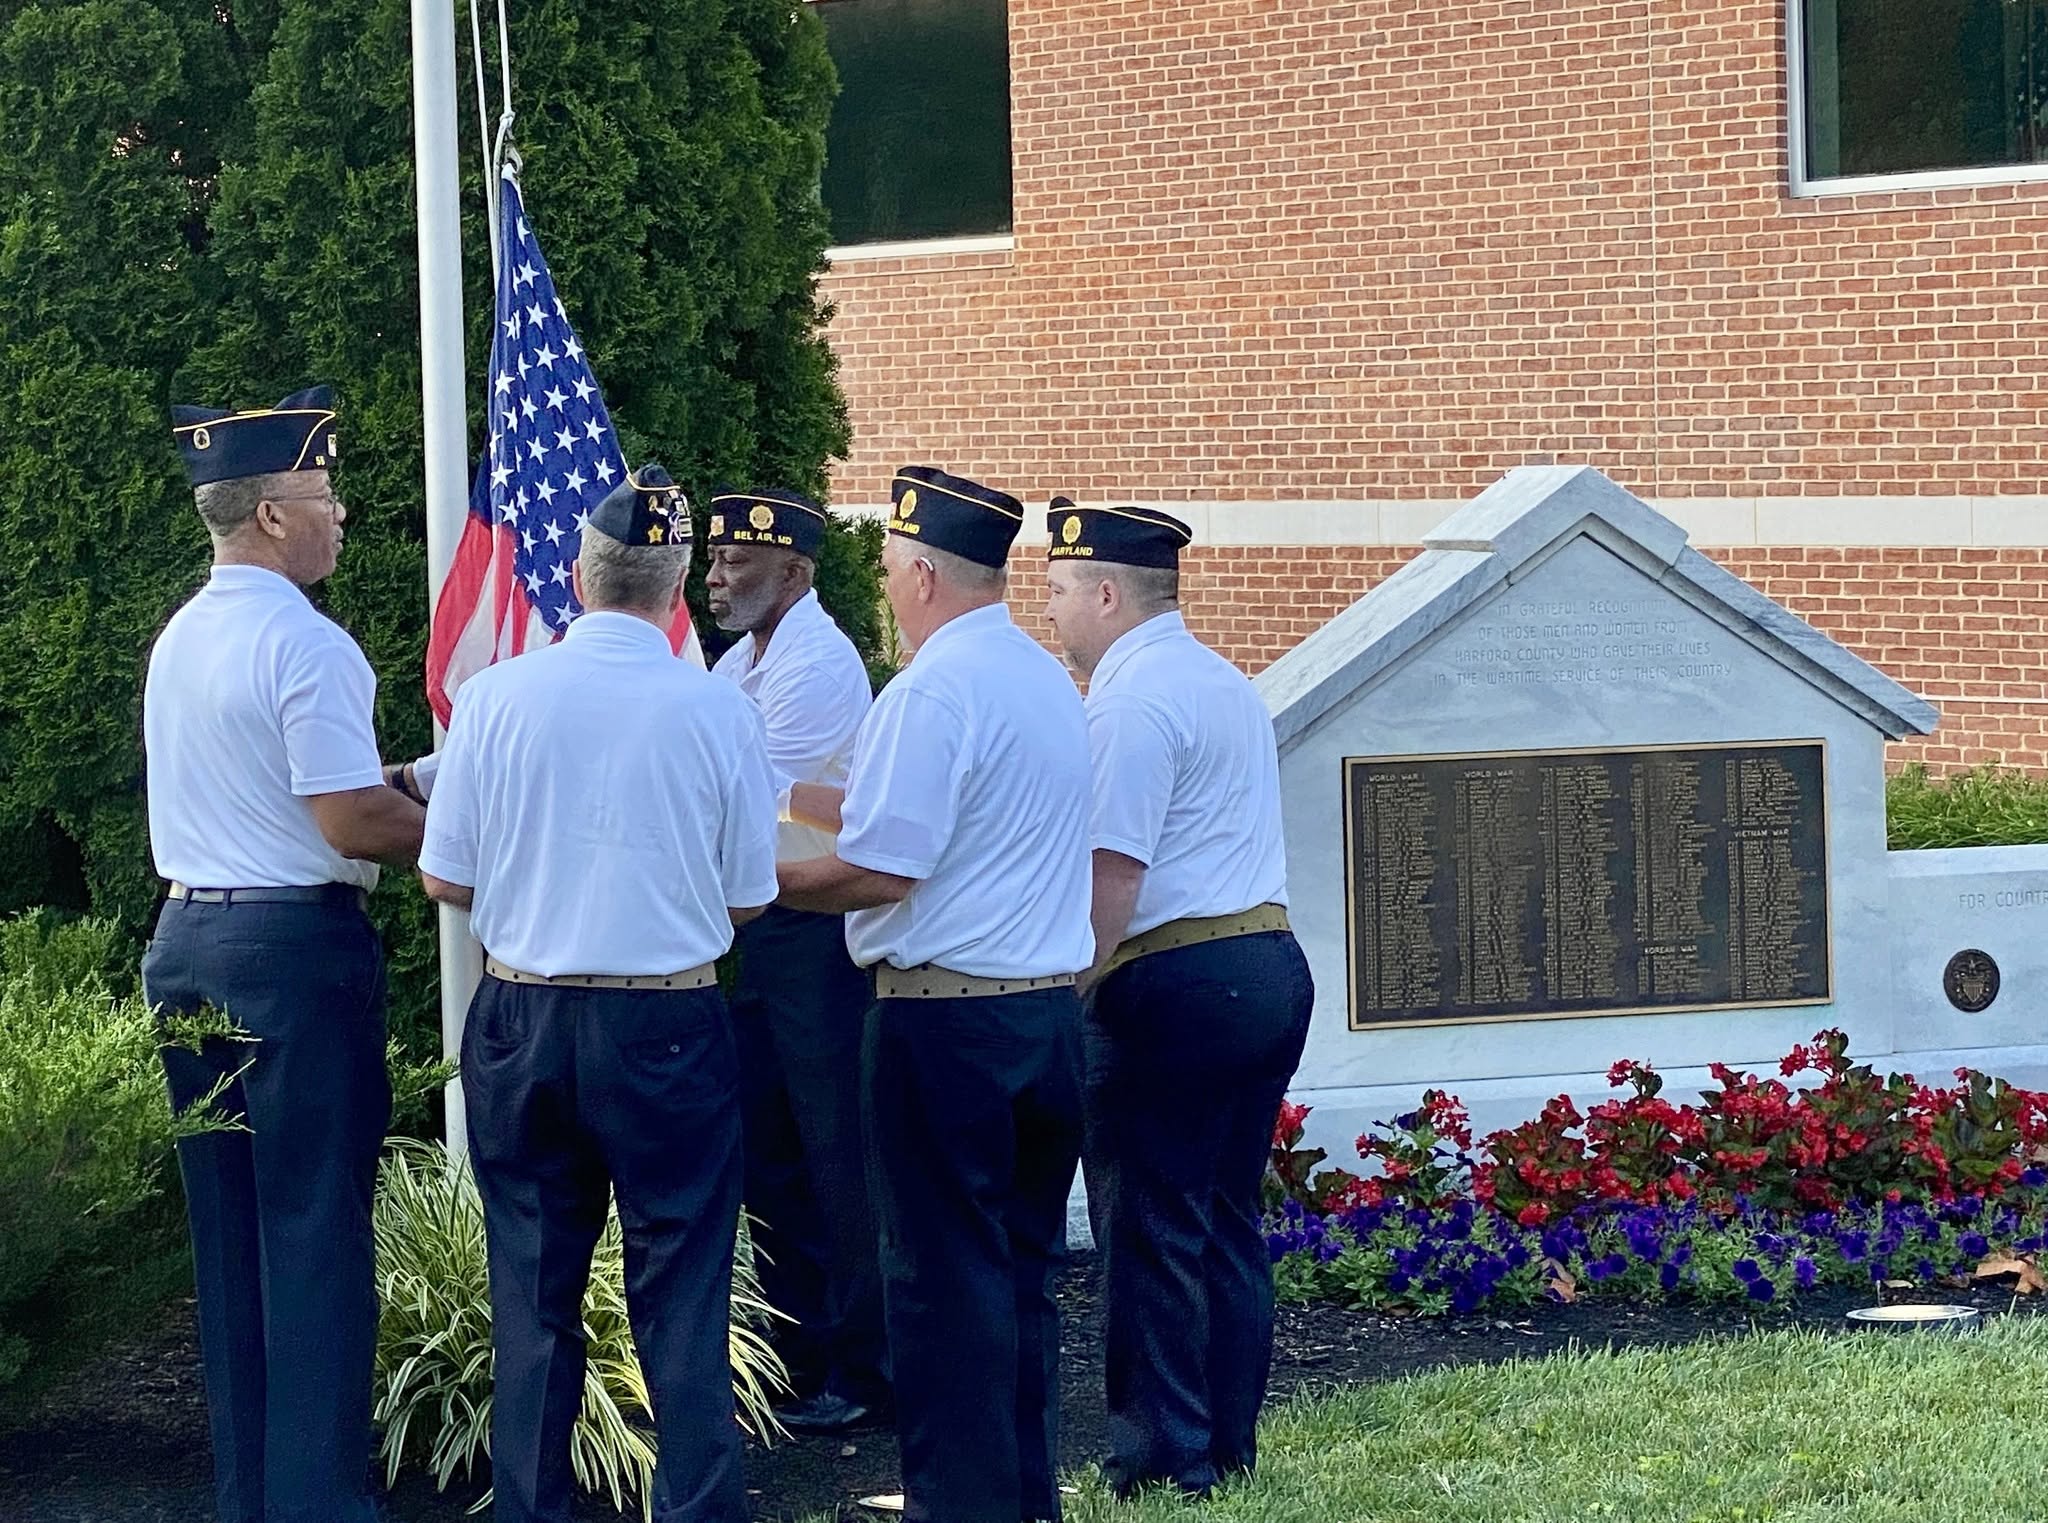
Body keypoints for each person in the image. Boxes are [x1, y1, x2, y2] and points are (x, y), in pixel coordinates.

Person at [418, 465, 779, 1523]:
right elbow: (750, 893)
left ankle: (533, 1509)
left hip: (522, 1013)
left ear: (578, 577)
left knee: (532, 1292)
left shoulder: (495, 700)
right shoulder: (716, 710)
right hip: (665, 1018)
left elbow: (444, 875)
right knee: (684, 1288)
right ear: (676, 588)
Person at [777, 465, 1092, 1523]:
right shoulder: (1041, 677)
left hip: (945, 1021)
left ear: (919, 573)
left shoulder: (929, 691)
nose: (885, 586)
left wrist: (749, 884)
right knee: (1019, 1277)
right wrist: (784, 794)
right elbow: (928, 821)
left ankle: (957, 1503)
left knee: (938, 1280)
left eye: (888, 568)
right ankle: (1020, 1496)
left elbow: (882, 868)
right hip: (1042, 1012)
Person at [145, 384, 426, 1523]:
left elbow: (284, 793)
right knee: (312, 1232)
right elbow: (349, 821)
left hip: (187, 941)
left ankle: (251, 1498)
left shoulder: (180, 635)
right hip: (291, 955)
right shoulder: (309, 644)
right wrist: (470, 829)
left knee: (230, 1243)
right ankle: (319, 1503)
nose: (340, 510)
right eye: (323, 491)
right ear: (270, 514)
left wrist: (397, 786)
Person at [1042, 498, 1315, 1499]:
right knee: (1224, 1216)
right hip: (1267, 964)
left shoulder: (1127, 703)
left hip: (1171, 981)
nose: (1051, 612)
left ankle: (1166, 1461)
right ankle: (1225, 1443)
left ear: (1107, 594)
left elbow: (1111, 874)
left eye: (1059, 591)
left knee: (1151, 1226)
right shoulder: (1222, 682)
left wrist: (1062, 989)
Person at [703, 487, 888, 1435]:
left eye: (737, 560)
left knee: (834, 1154)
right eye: (714, 557)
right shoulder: (742, 660)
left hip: (817, 931)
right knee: (770, 1155)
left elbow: (747, 787)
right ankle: (797, 1356)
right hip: (762, 929)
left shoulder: (817, 662)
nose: (716, 575)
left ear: (795, 571)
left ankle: (866, 1367)